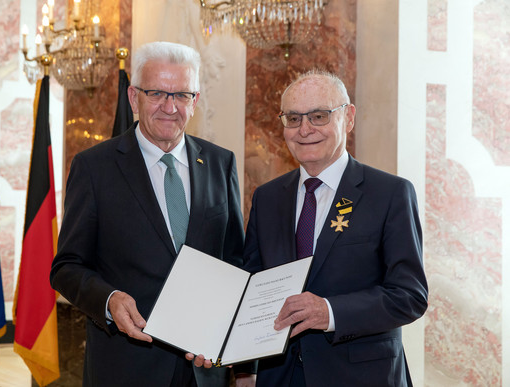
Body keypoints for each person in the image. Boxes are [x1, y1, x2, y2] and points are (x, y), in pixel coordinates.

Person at [50, 41, 246, 386]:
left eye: (182, 95)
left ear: (195, 100)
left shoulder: (220, 163)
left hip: (205, 369)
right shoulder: (95, 168)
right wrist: (108, 300)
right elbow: (66, 267)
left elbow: (236, 262)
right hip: (127, 366)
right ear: (133, 97)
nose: (169, 107)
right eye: (157, 93)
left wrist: (244, 360)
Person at [241, 69, 428, 387]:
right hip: (281, 377)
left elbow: (409, 295)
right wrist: (246, 367)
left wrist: (329, 311)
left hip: (361, 377)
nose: (305, 129)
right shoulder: (268, 198)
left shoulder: (389, 193)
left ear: (348, 117)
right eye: (293, 118)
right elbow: (253, 289)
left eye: (318, 116)